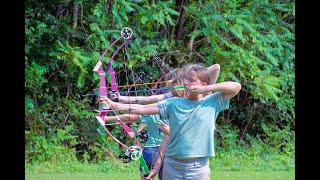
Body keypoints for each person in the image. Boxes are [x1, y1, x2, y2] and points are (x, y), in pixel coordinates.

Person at [99, 64, 241, 180]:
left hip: (198, 167)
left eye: (191, 80)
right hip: (172, 165)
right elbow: (143, 109)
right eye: (186, 80)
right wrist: (114, 105)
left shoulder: (212, 102)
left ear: (203, 84)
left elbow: (236, 86)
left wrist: (205, 89)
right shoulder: (173, 102)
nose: (186, 83)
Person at [104, 113, 168, 180]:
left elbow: (129, 120)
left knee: (145, 178)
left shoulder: (150, 114)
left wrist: (106, 118)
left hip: (150, 151)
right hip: (168, 151)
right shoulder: (172, 112)